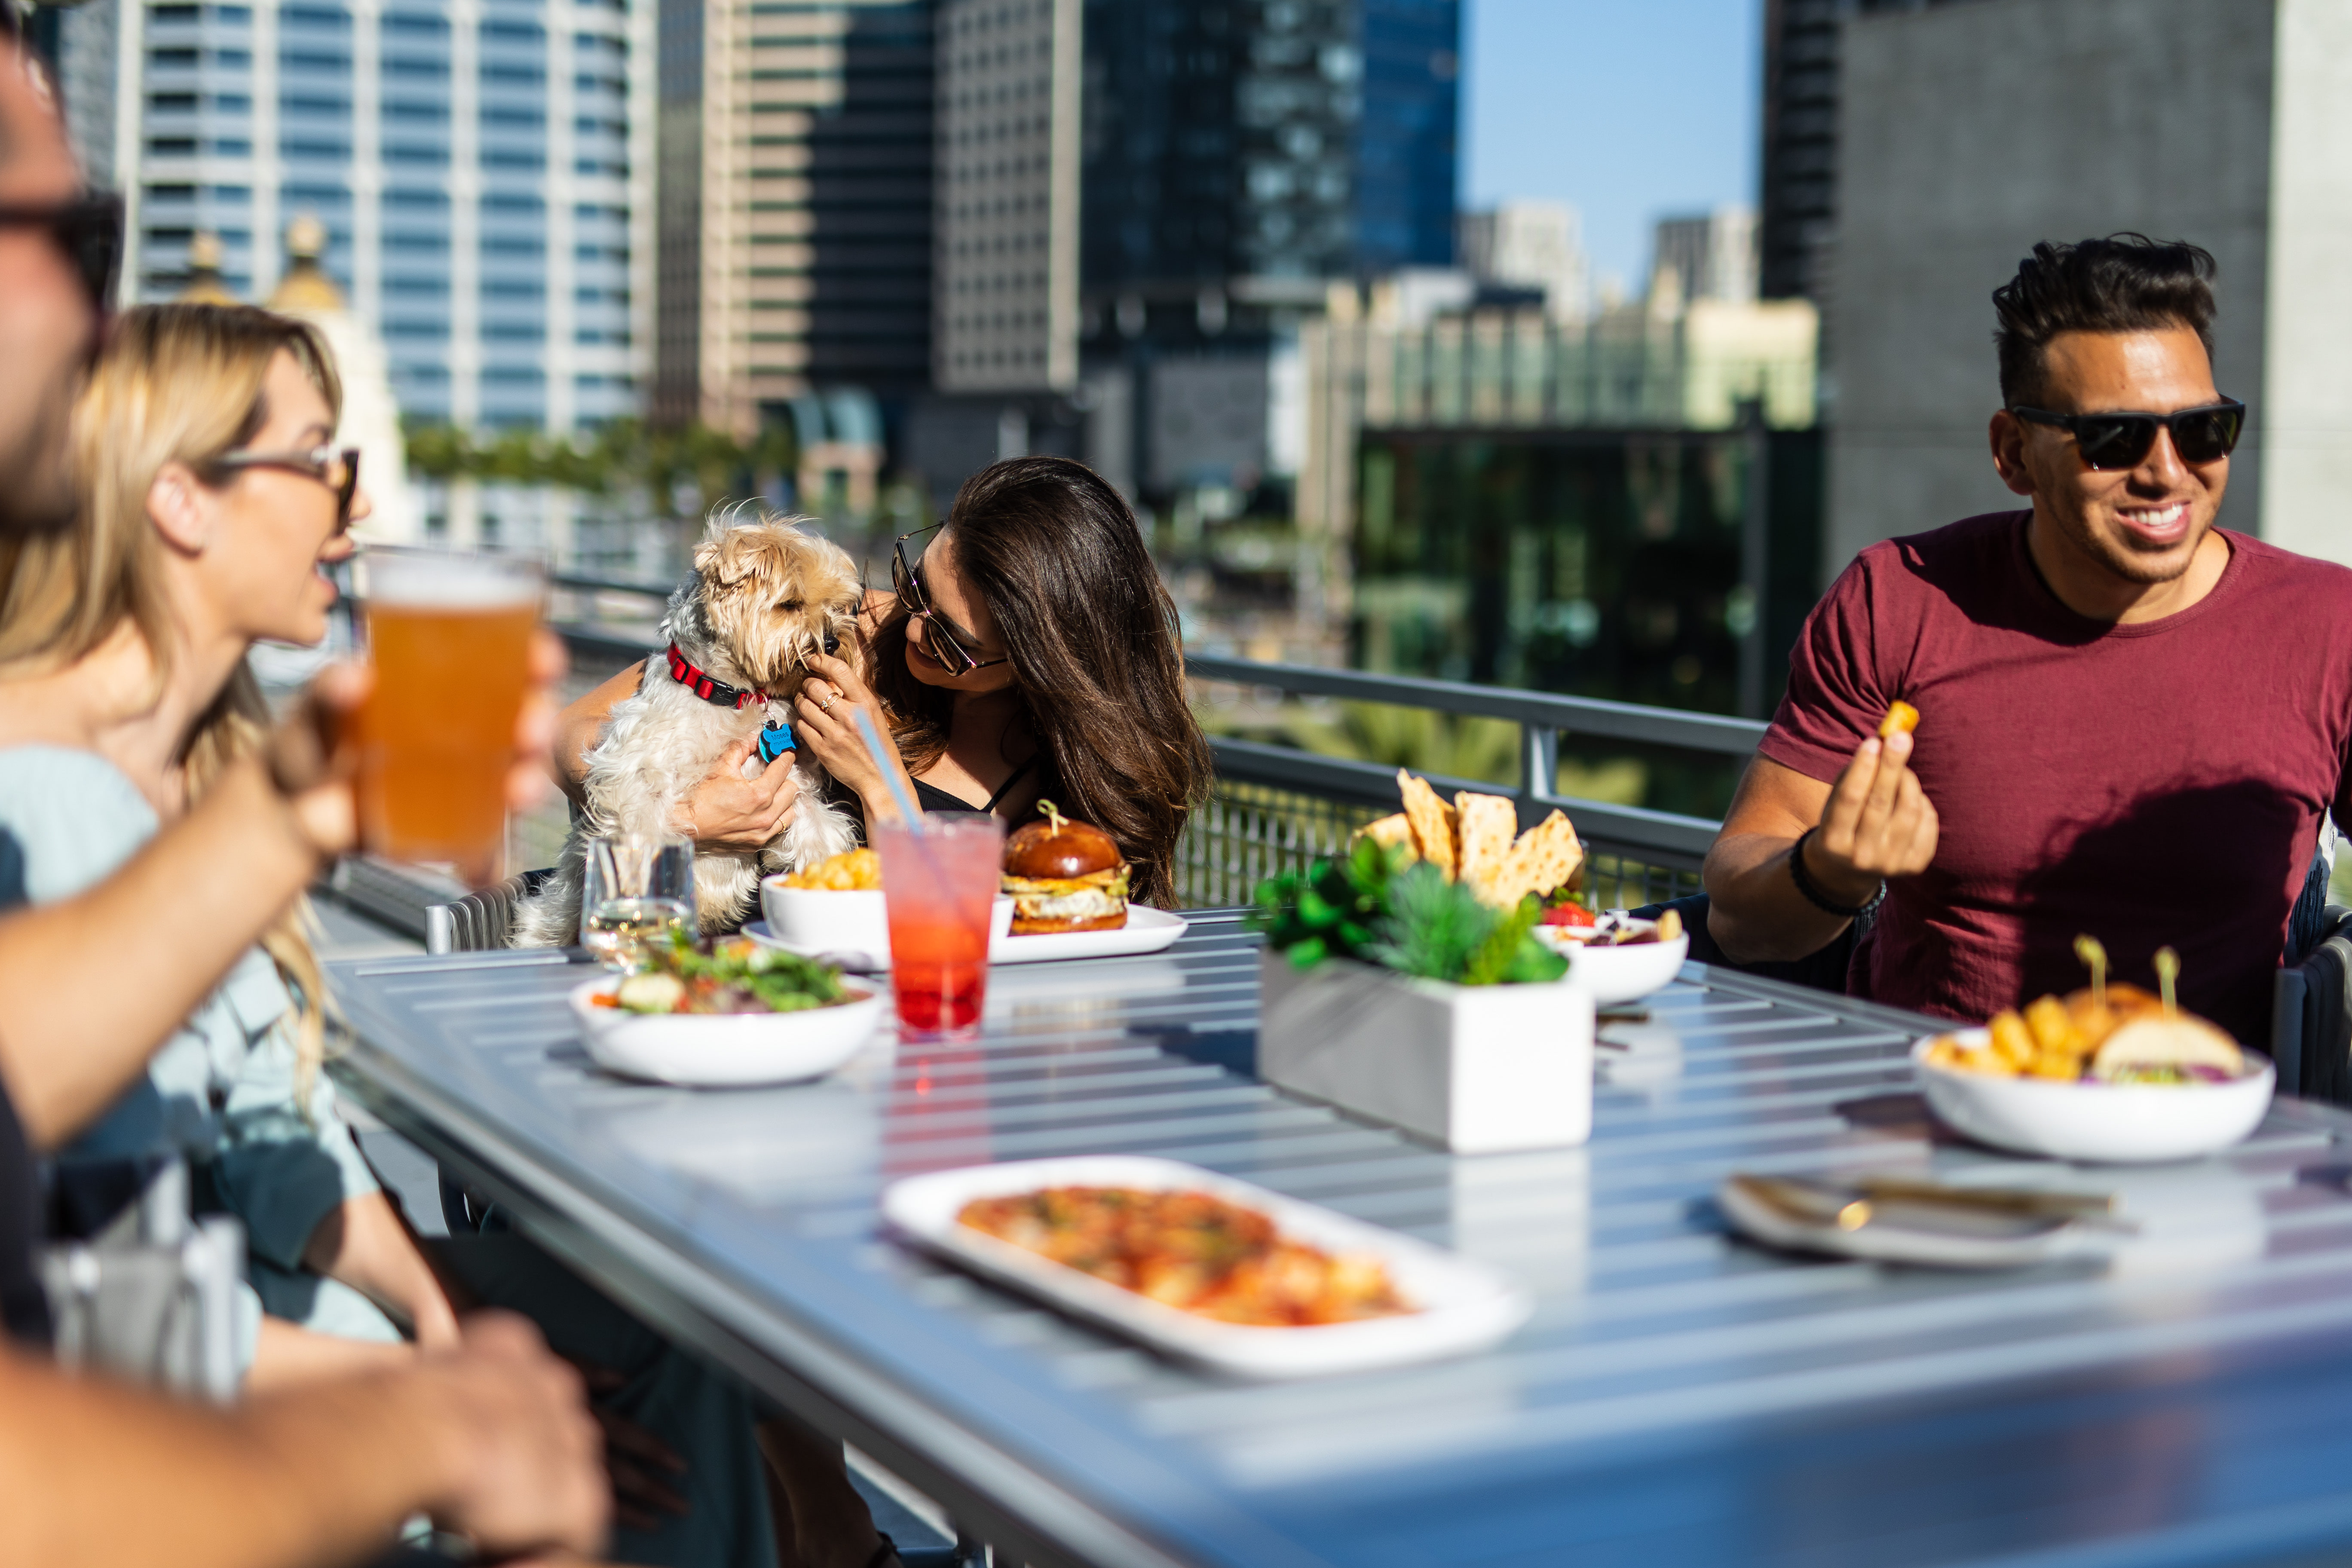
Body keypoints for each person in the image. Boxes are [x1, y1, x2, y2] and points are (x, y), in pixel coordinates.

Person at [0, 26, 610, 1567]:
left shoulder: (192, 764)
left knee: (648, 1347)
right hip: (218, 1423)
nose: (90, 307)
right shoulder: (50, 795)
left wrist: (288, 802)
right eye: (56, 234)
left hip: (247, 1370)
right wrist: (439, 1407)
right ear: (181, 498)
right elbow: (111, 1344)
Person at [1703, 234, 2352, 1044]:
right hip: (1925, 1119)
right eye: (2115, 439)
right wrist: (1829, 873)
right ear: (2014, 452)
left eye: (2203, 430)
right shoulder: (1899, 599)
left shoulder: (2329, 624)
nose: (2167, 471)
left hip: (2203, 1132)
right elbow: (1738, 915)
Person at [559, 457, 1212, 904]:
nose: (912, 628)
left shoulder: (1058, 779)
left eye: (954, 640)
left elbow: (957, 929)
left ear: (1040, 665)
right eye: (916, 581)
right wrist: (689, 817)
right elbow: (568, 735)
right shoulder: (840, 624)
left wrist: (878, 778)